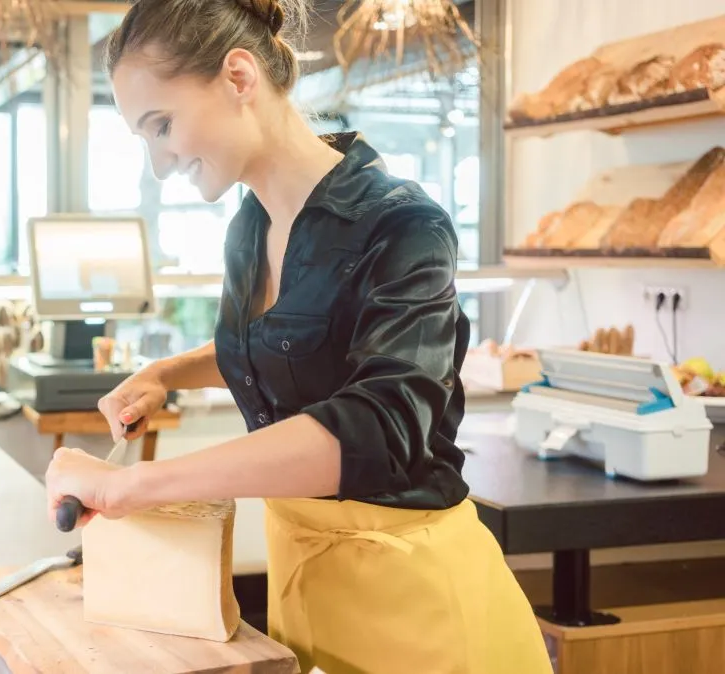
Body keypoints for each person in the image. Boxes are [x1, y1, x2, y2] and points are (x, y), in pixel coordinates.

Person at [43, 1, 552, 672]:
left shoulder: (403, 226)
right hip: (305, 588)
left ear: (238, 77)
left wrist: (139, 486)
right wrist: (167, 374)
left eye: (162, 125)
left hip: (419, 605)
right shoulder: (248, 231)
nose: (161, 163)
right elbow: (285, 345)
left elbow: (375, 426)